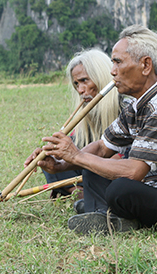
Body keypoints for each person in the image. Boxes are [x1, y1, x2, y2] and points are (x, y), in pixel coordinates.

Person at [26, 25, 157, 234]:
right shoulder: (136, 105)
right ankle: (104, 216)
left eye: (118, 62)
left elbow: (134, 172)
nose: (112, 71)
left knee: (121, 189)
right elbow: (103, 147)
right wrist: (59, 163)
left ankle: (109, 215)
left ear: (145, 65)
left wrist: (76, 156)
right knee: (96, 166)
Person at [42, 49, 125, 201]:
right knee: (52, 154)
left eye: (85, 80)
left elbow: (121, 157)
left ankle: (80, 193)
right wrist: (57, 154)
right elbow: (79, 146)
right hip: (90, 162)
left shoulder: (125, 106)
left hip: (115, 166)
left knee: (102, 169)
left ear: (100, 77)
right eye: (76, 83)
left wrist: (82, 158)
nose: (80, 90)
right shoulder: (88, 112)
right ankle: (78, 192)